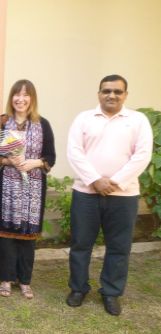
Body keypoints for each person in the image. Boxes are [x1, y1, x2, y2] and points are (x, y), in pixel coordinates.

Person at [66, 74, 152, 316]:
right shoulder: (84, 118)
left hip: (123, 196)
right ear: (99, 93)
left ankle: (111, 292)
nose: (111, 95)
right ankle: (78, 288)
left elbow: (142, 155)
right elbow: (74, 152)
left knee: (119, 247)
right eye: (106, 91)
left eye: (117, 91)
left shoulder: (138, 120)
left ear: (125, 95)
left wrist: (115, 182)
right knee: (81, 244)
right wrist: (95, 180)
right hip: (86, 193)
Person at [0, 80, 56, 299]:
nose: (21, 99)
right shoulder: (1, 122)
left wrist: (33, 163)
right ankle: (6, 279)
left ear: (32, 99)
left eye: (26, 95)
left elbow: (50, 156)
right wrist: (9, 162)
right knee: (6, 236)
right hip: (6, 187)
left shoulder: (42, 124)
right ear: (11, 97)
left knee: (28, 235)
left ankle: (25, 280)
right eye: (17, 94)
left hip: (32, 190)